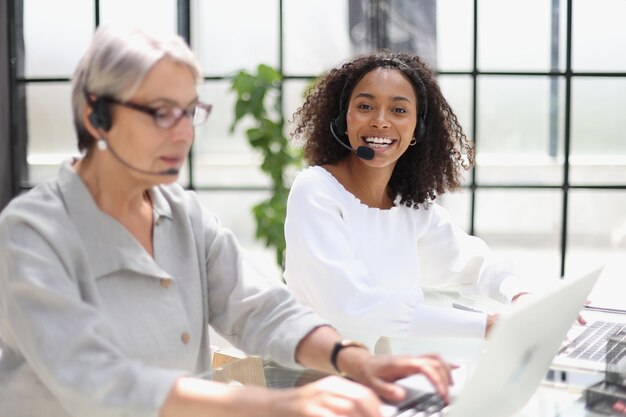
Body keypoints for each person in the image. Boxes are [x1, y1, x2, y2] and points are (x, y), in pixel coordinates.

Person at [0, 27, 454, 417]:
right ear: (95, 115)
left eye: (189, 111)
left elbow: (260, 308)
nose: (182, 133)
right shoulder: (32, 234)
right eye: (161, 113)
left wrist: (354, 360)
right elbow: (95, 379)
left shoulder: (184, 216)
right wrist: (273, 405)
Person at [284, 50, 530, 345]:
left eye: (399, 110)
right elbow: (353, 308)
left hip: (393, 373)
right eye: (365, 106)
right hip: (320, 379)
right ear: (342, 119)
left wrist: (521, 295)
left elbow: (474, 265)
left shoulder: (409, 206)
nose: (381, 121)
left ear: (418, 129)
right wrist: (485, 326)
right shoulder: (315, 191)